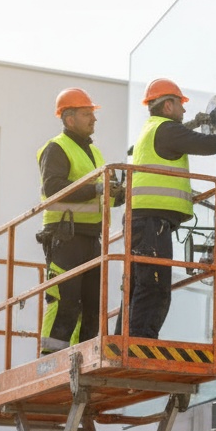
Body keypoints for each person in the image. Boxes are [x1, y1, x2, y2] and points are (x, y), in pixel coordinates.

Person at [120, 78, 216, 339]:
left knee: (138, 284)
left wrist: (196, 123)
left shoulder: (152, 129)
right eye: (180, 104)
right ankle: (139, 342)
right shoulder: (166, 130)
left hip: (145, 222)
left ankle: (124, 340)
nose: (184, 111)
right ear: (167, 106)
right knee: (154, 286)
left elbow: (181, 137)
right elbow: (209, 145)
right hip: (152, 223)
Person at [37, 87, 122, 355]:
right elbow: (54, 187)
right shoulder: (57, 147)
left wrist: (118, 194)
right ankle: (50, 359)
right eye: (87, 114)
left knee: (92, 304)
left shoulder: (95, 155)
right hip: (65, 235)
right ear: (69, 118)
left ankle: (82, 356)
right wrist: (95, 188)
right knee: (64, 300)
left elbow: (103, 197)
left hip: (90, 237)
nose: (94, 119)